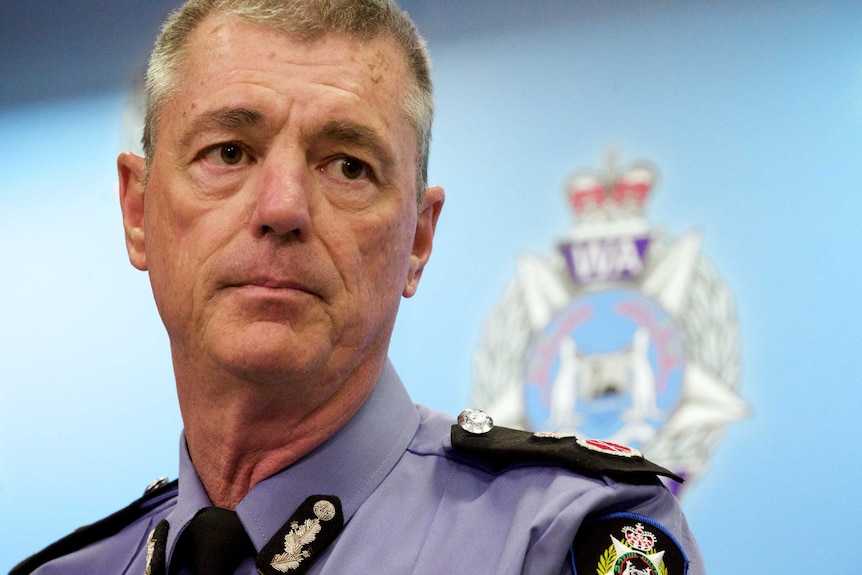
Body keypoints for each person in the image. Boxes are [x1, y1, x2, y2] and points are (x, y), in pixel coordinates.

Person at [11, 1, 706, 573]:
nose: (282, 208)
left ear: (418, 239)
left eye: (347, 166)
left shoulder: (559, 539)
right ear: (137, 211)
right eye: (228, 152)